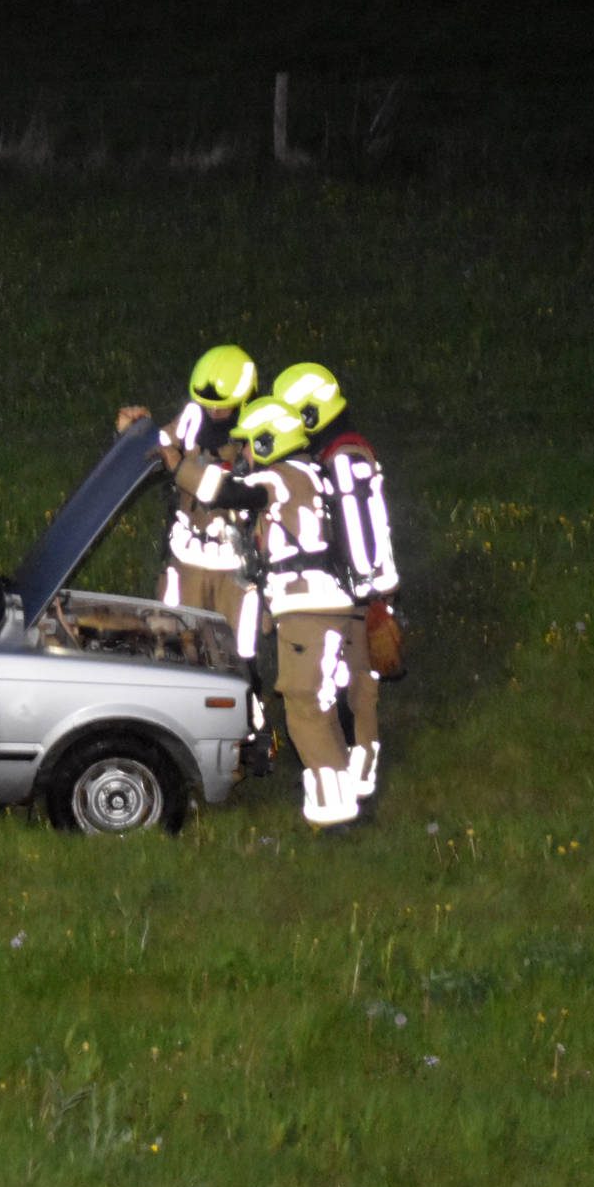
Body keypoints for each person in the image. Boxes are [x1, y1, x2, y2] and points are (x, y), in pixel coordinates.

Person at [172, 395, 361, 829]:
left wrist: (177, 466)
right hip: (330, 607)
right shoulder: (312, 471)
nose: (242, 453)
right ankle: (342, 797)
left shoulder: (277, 478)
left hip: (307, 609)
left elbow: (223, 491)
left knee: (304, 707)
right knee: (323, 703)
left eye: (249, 445)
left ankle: (334, 817)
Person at [121, 344, 270, 767]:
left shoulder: (261, 435)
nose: (213, 415)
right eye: (207, 406)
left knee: (239, 659)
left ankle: (251, 740)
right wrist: (133, 430)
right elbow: (157, 445)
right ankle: (174, 738)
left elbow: (230, 490)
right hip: (186, 560)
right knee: (175, 645)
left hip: (233, 569)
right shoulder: (192, 417)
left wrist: (178, 465)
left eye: (222, 408)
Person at [273, 363, 399, 808]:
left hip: (357, 594)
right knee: (354, 686)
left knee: (354, 688)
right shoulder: (346, 451)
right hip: (363, 591)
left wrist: (366, 588)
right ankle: (355, 776)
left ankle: (354, 785)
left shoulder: (341, 460)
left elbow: (360, 535)